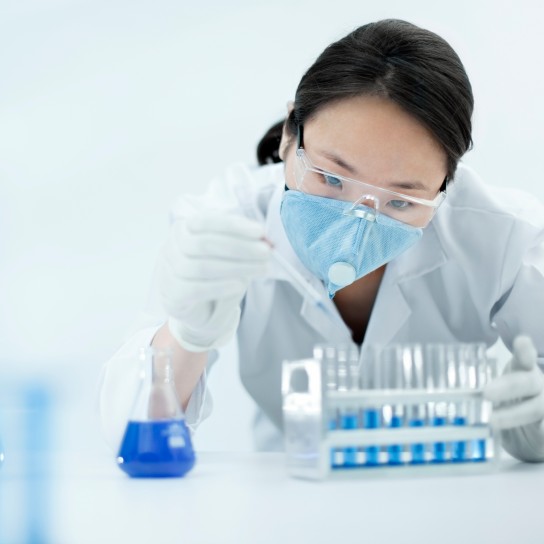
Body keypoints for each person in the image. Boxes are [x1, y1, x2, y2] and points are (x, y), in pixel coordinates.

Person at [100, 19, 544, 461]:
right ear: (291, 136)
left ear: (446, 185)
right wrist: (186, 335)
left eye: (400, 202)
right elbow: (130, 432)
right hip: (289, 504)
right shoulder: (224, 223)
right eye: (331, 177)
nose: (356, 225)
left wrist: (535, 427)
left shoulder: (505, 237)